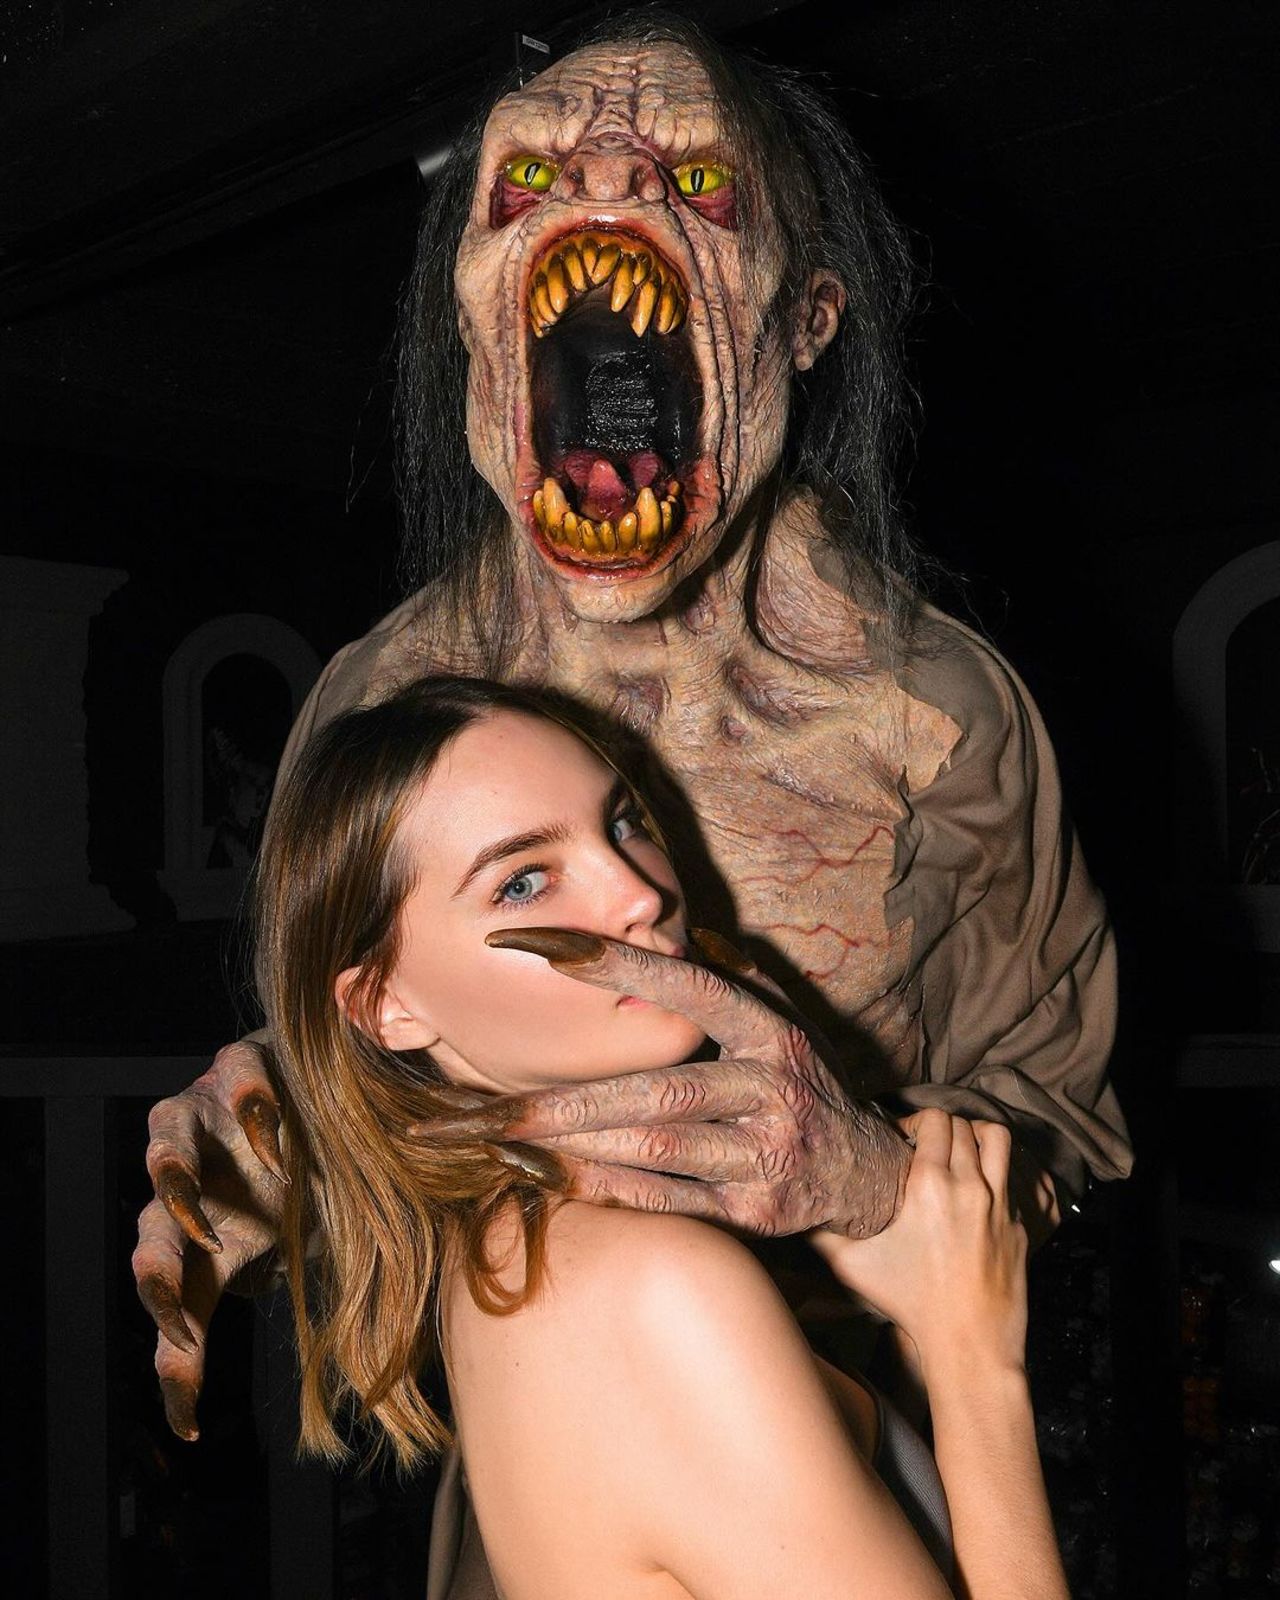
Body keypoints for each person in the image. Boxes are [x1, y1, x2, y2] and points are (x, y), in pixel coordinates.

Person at [135, 10, 1131, 1446]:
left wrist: (871, 1182)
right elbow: (374, 1075)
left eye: (702, 181)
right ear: (477, 327)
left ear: (804, 319)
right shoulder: (378, 702)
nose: (606, 180)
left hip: (861, 1443)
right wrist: (287, 1135)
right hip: (541, 1444)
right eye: (528, 180)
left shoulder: (936, 715)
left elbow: (1066, 1130)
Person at [254, 672, 1068, 1600]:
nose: (638, 893)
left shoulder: (516, 1253)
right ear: (385, 1006)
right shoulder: (648, 1292)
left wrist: (919, 1286)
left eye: (623, 822)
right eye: (524, 881)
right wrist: (973, 1350)